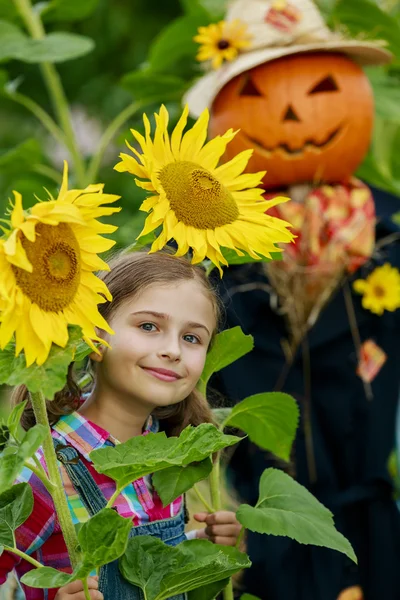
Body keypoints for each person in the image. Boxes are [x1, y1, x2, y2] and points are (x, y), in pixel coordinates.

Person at [0, 251, 241, 600]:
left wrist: (199, 548)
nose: (173, 350)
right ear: (94, 336)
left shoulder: (168, 453)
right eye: (148, 326)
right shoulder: (46, 472)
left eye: (192, 338)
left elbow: (145, 564)